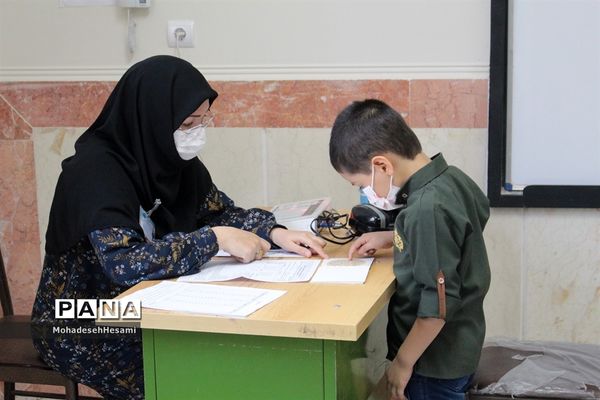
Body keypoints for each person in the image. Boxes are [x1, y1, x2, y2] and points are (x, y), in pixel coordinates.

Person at [31, 55, 326, 400]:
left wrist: (274, 233)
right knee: (179, 368)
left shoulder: (173, 160)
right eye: (187, 124)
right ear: (153, 119)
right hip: (82, 315)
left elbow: (219, 212)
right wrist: (214, 240)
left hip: (143, 304)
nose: (196, 133)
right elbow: (124, 263)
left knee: (215, 351)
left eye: (203, 120)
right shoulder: (93, 173)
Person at [329, 99, 490, 400]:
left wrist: (402, 364)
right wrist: (396, 235)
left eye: (360, 183)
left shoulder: (424, 210)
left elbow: (437, 306)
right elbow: (465, 225)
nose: (364, 193)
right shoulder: (451, 178)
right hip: (460, 343)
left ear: (382, 165)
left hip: (432, 363)